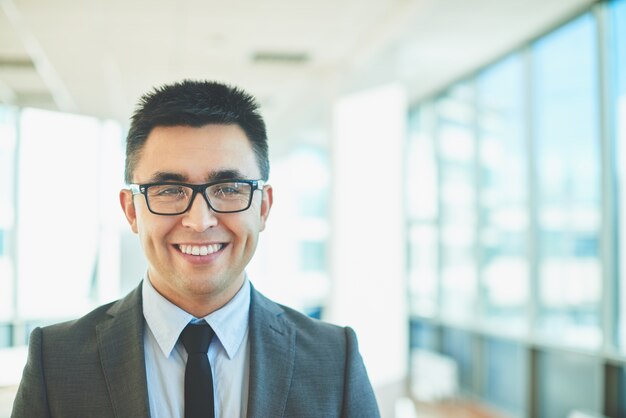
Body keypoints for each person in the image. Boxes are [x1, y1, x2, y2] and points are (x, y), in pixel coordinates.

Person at [11, 80, 380, 418]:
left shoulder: (334, 359)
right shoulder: (57, 361)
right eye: (170, 190)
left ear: (264, 207)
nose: (199, 220)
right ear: (131, 210)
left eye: (228, 188)